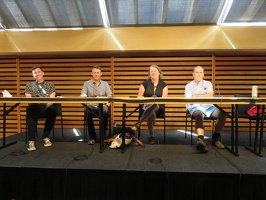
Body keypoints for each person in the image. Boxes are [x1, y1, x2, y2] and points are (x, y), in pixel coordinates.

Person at [185, 66, 226, 153]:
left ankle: (216, 137)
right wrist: (204, 95)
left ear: (203, 74)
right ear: (193, 74)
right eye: (196, 72)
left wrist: (196, 95)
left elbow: (210, 95)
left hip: (208, 107)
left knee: (222, 114)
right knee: (199, 115)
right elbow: (189, 99)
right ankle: (201, 140)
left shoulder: (208, 84)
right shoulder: (188, 86)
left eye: (200, 72)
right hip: (194, 107)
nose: (198, 74)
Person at [131, 65, 168, 145]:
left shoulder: (164, 85)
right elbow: (139, 98)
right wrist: (146, 102)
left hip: (159, 108)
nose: (153, 73)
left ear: (159, 73)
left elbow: (163, 100)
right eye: (151, 71)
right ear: (149, 73)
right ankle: (151, 136)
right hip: (145, 107)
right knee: (152, 112)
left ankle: (137, 125)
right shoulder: (144, 84)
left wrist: (154, 102)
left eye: (155, 71)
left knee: (154, 105)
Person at [25, 66, 57, 151]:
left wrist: (46, 105)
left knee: (52, 111)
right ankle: (31, 140)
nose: (37, 74)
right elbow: (28, 98)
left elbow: (52, 98)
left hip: (47, 107)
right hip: (35, 107)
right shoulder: (29, 86)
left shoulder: (50, 85)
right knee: (30, 110)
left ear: (43, 73)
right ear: (33, 75)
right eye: (35, 73)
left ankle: (45, 136)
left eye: (38, 72)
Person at [81, 66, 112, 145]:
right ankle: (92, 136)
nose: (96, 74)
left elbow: (110, 96)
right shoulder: (86, 83)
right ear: (91, 74)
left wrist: (108, 103)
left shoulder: (105, 84)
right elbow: (83, 95)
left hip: (102, 108)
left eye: (98, 72)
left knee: (104, 114)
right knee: (87, 113)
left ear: (101, 74)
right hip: (91, 107)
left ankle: (102, 134)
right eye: (94, 72)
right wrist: (84, 97)